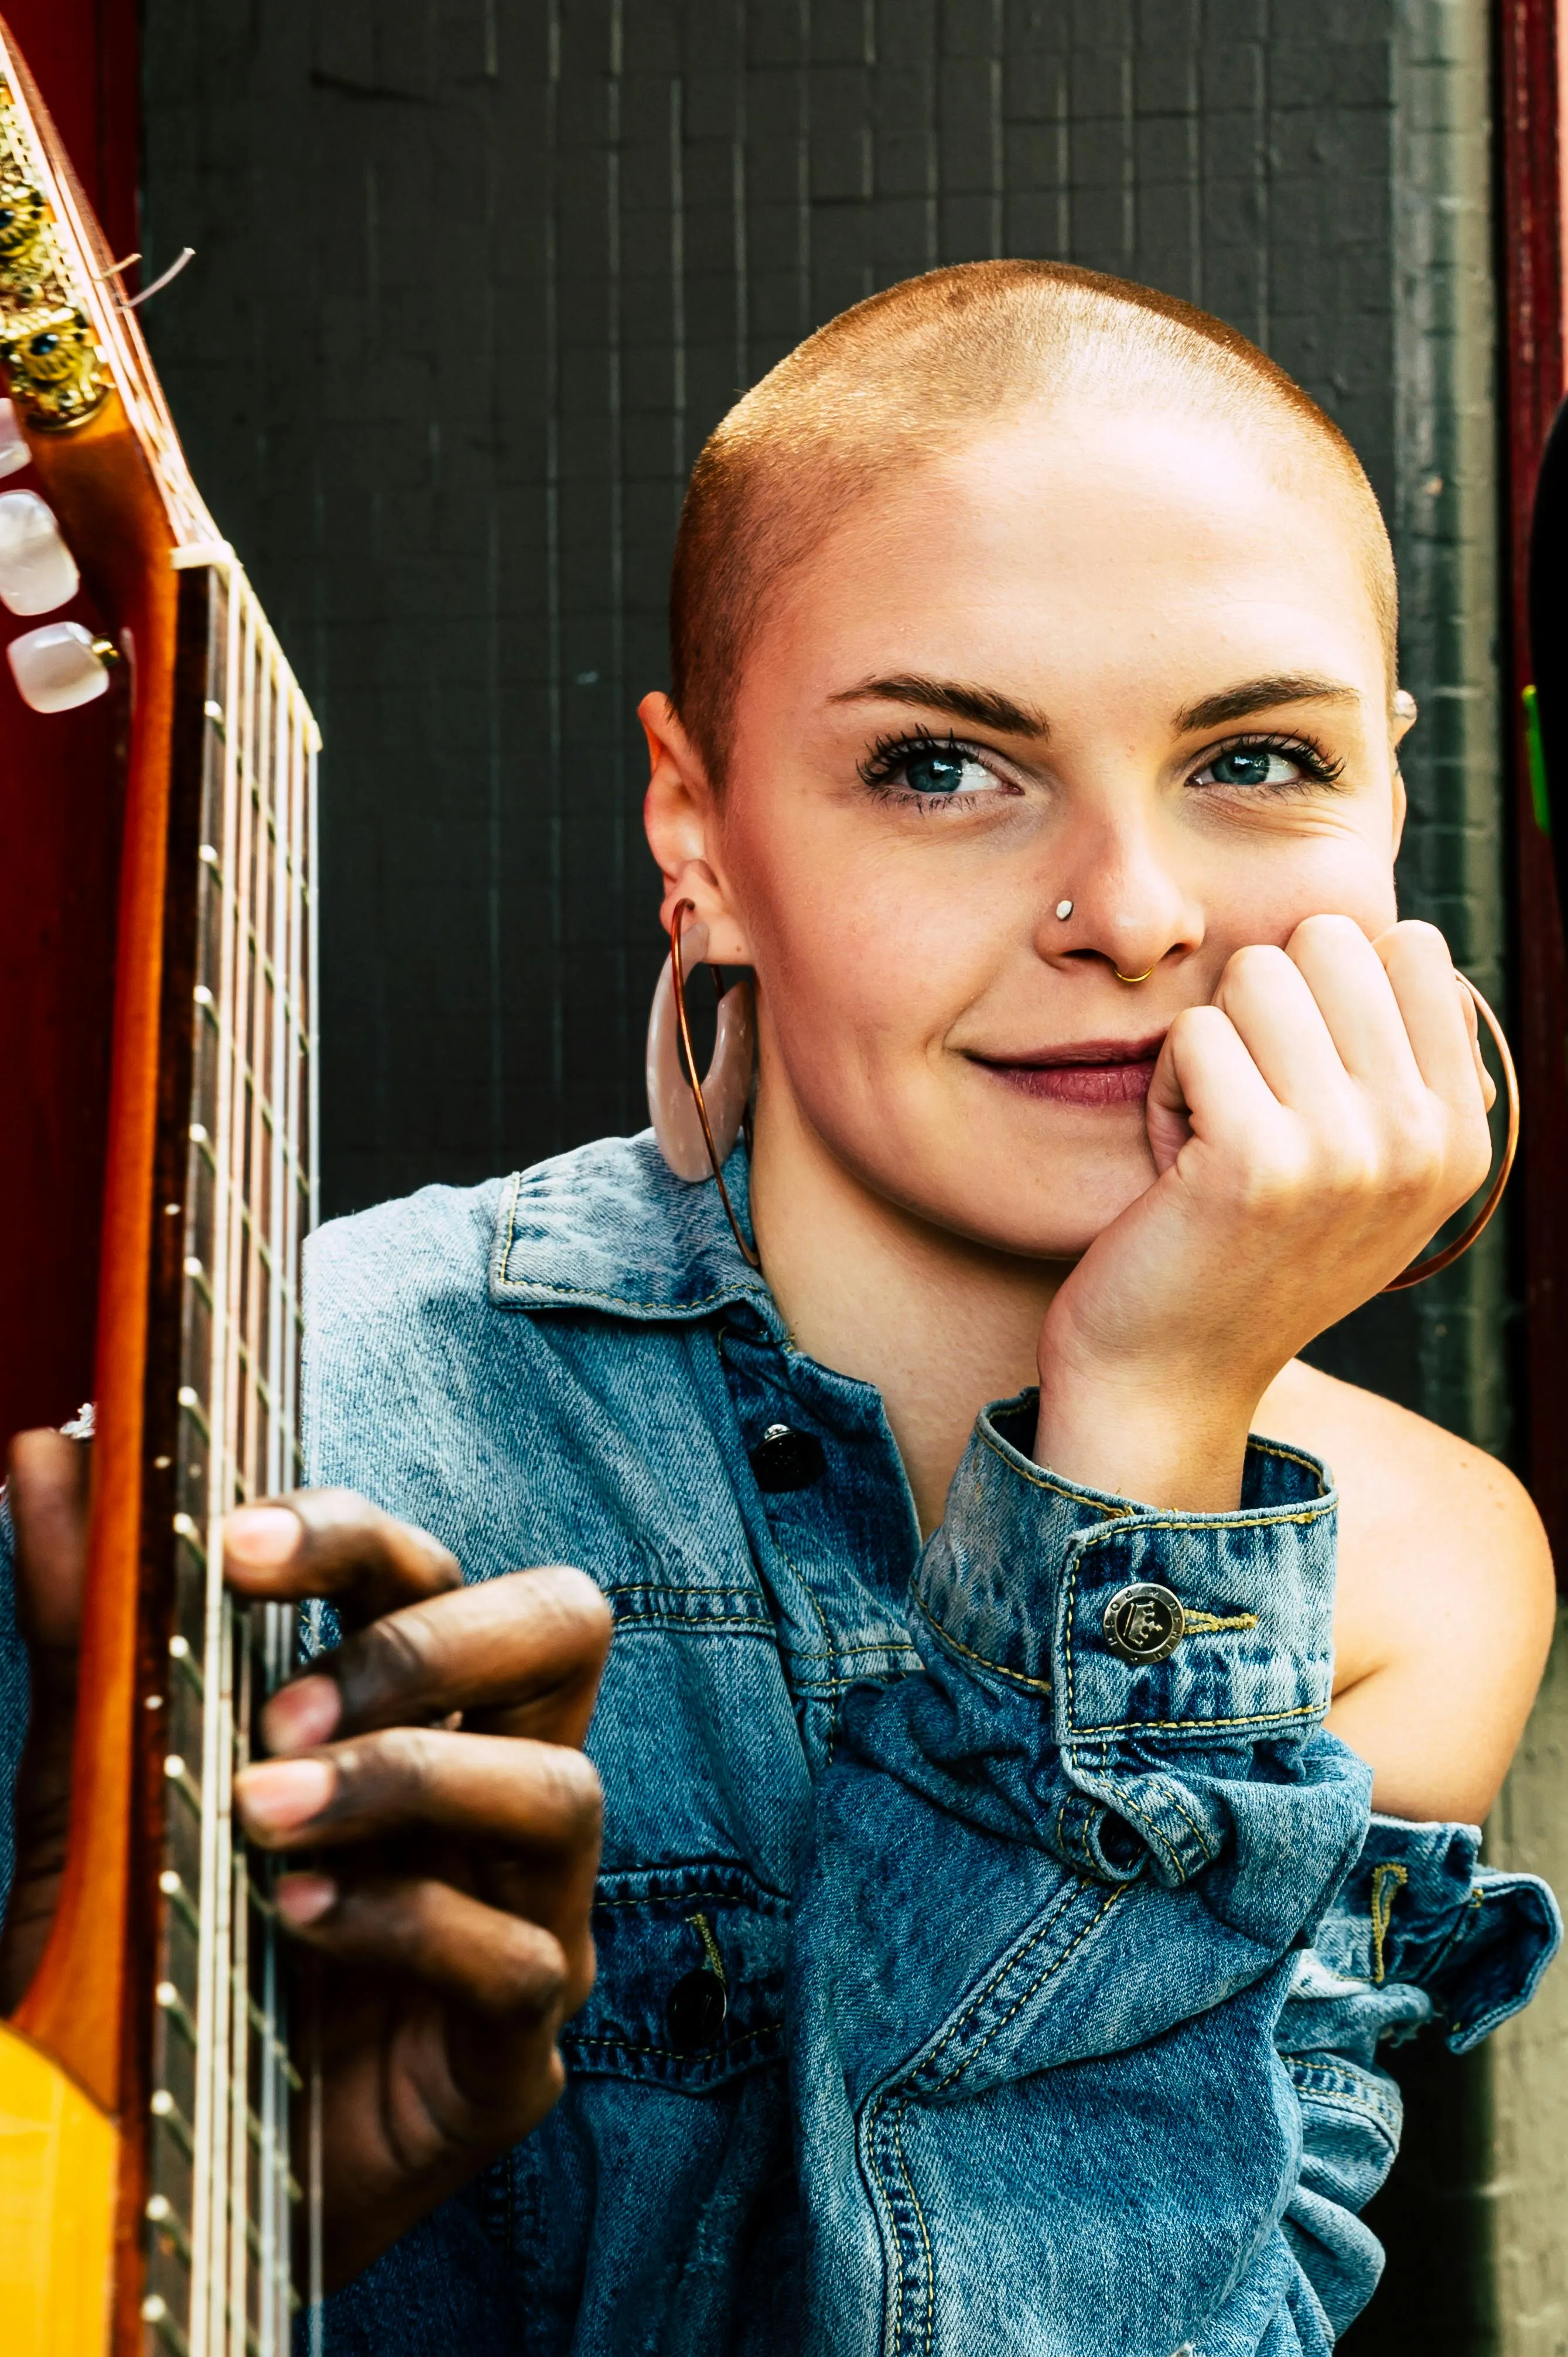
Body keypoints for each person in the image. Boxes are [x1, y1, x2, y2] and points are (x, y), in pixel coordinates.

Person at [1, 260, 1560, 2355]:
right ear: (695, 825)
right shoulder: (261, 1437)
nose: (1137, 914)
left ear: (1386, 794)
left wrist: (1150, 1439)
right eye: (939, 767)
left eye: (1253, 759)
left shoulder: (1417, 1566)